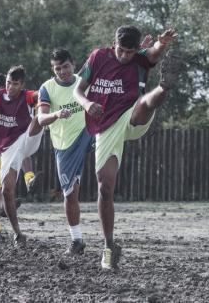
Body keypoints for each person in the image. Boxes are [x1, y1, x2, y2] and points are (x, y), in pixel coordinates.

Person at [73, 25, 178, 269]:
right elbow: (77, 90)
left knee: (145, 103)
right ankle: (109, 247)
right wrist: (88, 104)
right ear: (114, 43)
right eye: (122, 50)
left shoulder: (139, 59)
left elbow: (151, 54)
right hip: (105, 125)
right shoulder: (98, 56)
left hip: (131, 115)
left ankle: (164, 86)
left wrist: (161, 44)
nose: (125, 56)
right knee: (105, 187)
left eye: (131, 52)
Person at [37, 49, 94, 255]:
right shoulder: (47, 88)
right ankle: (77, 240)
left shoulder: (84, 81)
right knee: (70, 195)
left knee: (106, 179)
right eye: (57, 68)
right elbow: (41, 119)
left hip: (88, 135)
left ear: (74, 64)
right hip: (64, 146)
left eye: (66, 66)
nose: (62, 71)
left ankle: (109, 239)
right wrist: (57, 114)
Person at [0, 66, 44, 246]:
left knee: (38, 119)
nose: (10, 87)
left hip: (25, 140)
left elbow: (39, 94)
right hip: (8, 150)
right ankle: (17, 233)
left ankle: (28, 175)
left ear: (21, 84)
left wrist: (44, 97)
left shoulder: (26, 95)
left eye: (15, 84)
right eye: (8, 82)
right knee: (7, 191)